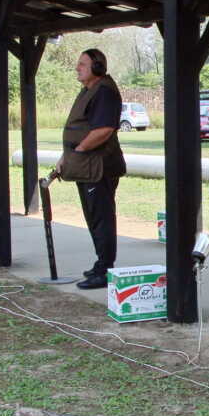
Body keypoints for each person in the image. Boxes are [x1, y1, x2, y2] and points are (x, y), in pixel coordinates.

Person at [56, 49, 125, 290]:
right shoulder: (90, 90)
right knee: (94, 217)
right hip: (85, 166)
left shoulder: (104, 92)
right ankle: (101, 264)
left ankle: (105, 269)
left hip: (99, 167)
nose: (77, 68)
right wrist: (67, 157)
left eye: (82, 64)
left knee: (101, 218)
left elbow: (104, 129)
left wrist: (79, 151)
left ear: (97, 67)